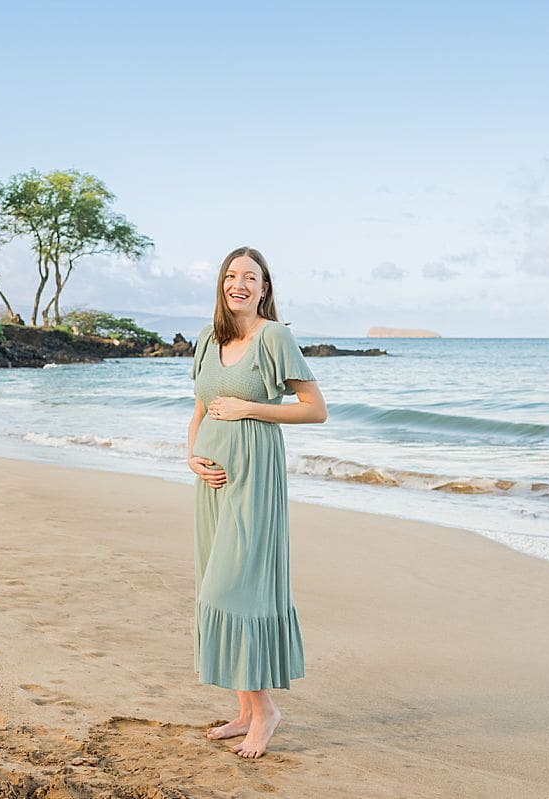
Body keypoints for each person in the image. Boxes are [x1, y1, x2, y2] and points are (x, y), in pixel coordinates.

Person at [186, 245, 327, 758]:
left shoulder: (274, 336)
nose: (238, 283)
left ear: (265, 287)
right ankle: (244, 710)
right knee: (212, 586)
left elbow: (316, 410)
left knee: (233, 590)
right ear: (222, 284)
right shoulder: (207, 338)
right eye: (231, 275)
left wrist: (251, 407)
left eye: (250, 276)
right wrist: (189, 456)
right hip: (210, 484)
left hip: (254, 478)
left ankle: (266, 710)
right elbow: (200, 407)